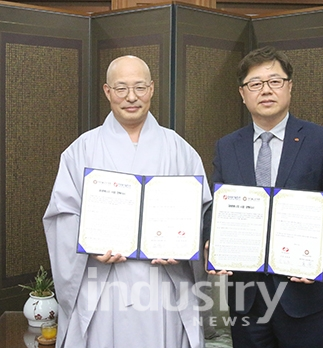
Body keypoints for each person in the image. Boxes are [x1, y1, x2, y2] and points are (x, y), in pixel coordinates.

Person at [43, 55, 212, 348]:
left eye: (139, 87)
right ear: (107, 91)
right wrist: (90, 244)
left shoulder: (180, 150)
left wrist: (185, 246)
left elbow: (202, 216)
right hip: (103, 284)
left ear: (152, 89)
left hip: (162, 284)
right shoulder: (81, 150)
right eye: (121, 88)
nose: (131, 97)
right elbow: (62, 216)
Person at [206, 46, 323, 347]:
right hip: (246, 294)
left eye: (275, 81)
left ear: (289, 86)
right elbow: (218, 205)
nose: (266, 90)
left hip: (302, 293)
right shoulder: (227, 147)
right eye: (255, 83)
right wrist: (212, 239)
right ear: (242, 93)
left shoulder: (320, 141)